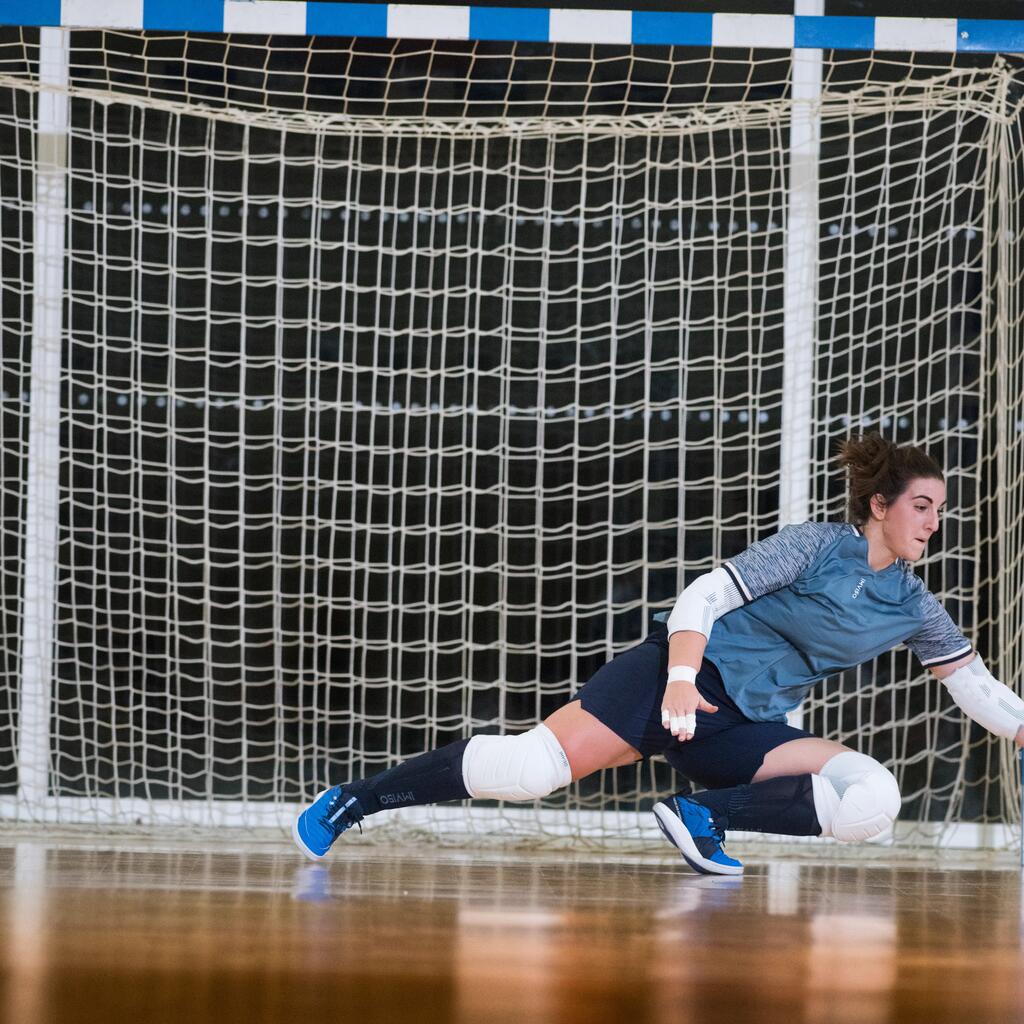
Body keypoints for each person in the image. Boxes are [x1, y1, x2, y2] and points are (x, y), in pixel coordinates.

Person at [293, 432, 1024, 873]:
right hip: (683, 677)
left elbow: (977, 687)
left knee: (871, 799)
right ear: (880, 506)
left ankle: (699, 815)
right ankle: (351, 802)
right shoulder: (815, 547)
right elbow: (703, 596)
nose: (934, 521)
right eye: (922, 505)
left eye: (940, 509)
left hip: (744, 726)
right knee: (527, 771)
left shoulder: (915, 605)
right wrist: (679, 679)